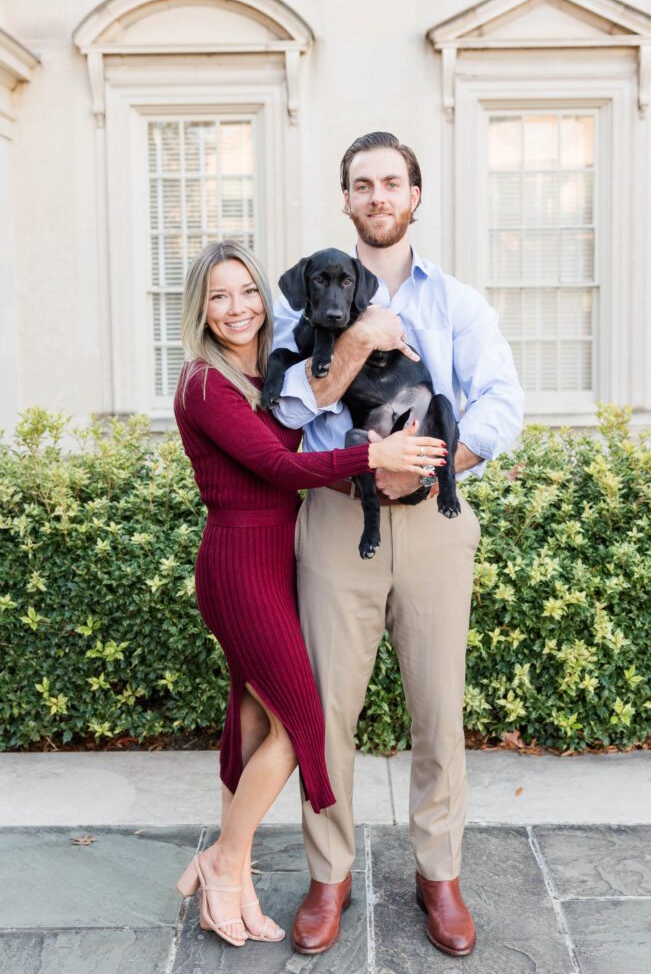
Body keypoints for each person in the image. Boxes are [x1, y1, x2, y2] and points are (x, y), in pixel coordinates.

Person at [272, 132, 524, 957]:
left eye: (391, 183)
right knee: (326, 713)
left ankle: (437, 872)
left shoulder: (457, 302)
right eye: (361, 184)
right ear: (344, 200)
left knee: (436, 710)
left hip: (435, 525)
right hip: (337, 519)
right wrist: (351, 342)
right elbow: (286, 413)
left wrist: (424, 469)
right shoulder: (303, 299)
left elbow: (498, 407)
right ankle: (329, 874)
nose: (377, 196)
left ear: (414, 196)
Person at [172, 239, 447, 948]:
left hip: (277, 556)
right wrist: (372, 456)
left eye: (247, 292)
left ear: (268, 296)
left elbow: (303, 441)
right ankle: (225, 866)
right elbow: (272, 463)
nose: (237, 308)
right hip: (239, 563)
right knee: (301, 724)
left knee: (257, 723)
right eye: (219, 296)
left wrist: (387, 474)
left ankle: (233, 871)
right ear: (200, 310)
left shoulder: (265, 369)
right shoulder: (204, 383)